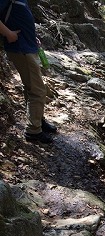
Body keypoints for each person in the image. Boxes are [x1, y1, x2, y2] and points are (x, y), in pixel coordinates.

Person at [0, 0, 56, 144]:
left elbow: (18, 18)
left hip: (27, 45)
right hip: (21, 48)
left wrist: (32, 36)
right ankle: (33, 131)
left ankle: (38, 120)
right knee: (37, 90)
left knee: (31, 87)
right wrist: (9, 34)